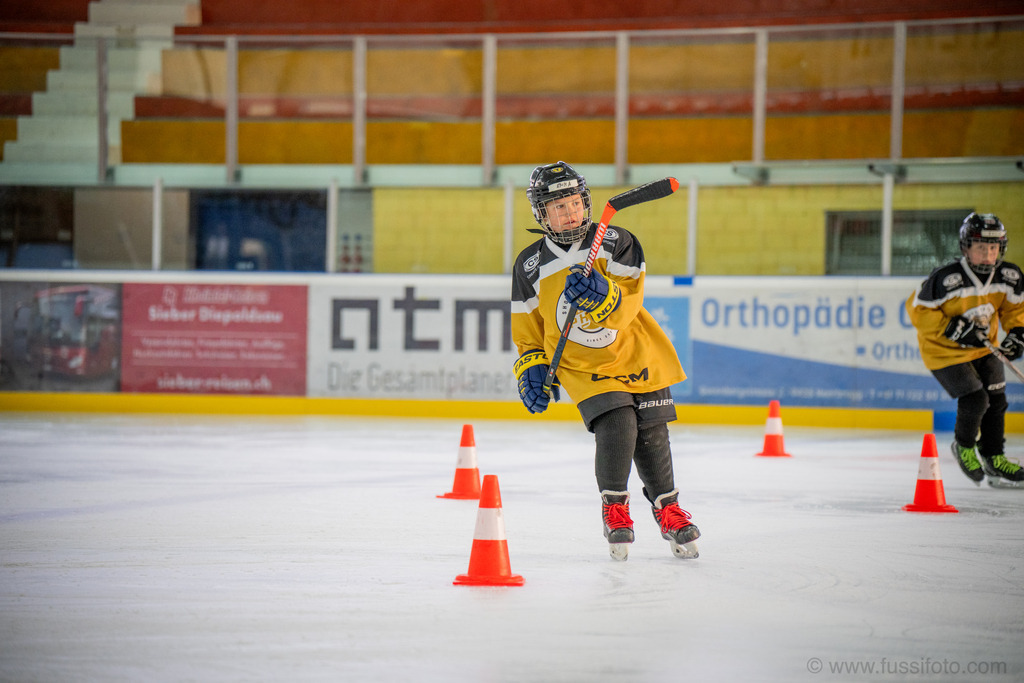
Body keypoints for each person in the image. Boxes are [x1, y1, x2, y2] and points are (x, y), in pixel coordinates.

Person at [510, 161, 701, 560]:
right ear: (541, 213)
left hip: (635, 351)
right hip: (584, 366)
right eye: (558, 207)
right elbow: (528, 327)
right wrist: (531, 365)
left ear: (586, 201)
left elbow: (629, 302)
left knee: (652, 430)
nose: (570, 212)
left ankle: (668, 509)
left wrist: (603, 294)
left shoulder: (616, 240)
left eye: (575, 202)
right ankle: (615, 508)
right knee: (617, 422)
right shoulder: (529, 265)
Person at [906, 212, 1024, 488]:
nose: (987, 254)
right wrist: (952, 328)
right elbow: (918, 311)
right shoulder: (947, 278)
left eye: (993, 248)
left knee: (997, 401)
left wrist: (1018, 335)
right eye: (980, 247)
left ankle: (994, 458)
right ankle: (964, 446)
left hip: (983, 350)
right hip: (942, 352)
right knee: (975, 400)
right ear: (966, 247)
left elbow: (1016, 310)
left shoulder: (1009, 276)